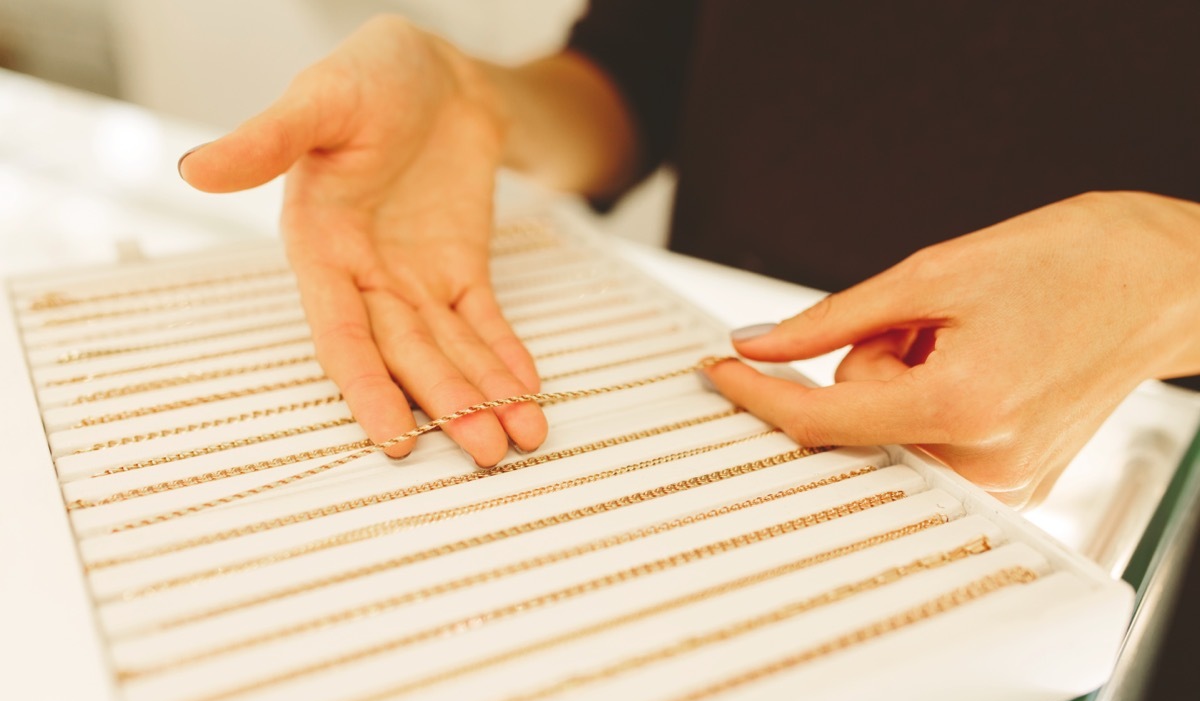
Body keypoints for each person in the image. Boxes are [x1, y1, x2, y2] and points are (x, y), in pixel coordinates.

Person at [177, 5, 1200, 506]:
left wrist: (1170, 277)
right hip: (711, 410)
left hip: (1130, 476)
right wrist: (477, 99)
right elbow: (640, 73)